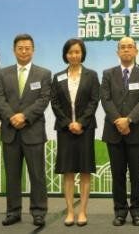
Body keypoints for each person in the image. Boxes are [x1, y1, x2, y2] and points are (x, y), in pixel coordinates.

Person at [0, 34, 51, 227]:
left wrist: (24, 116)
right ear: (14, 50)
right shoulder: (3, 74)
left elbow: (43, 100)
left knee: (37, 175)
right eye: (20, 48)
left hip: (33, 131)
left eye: (27, 48)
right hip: (10, 132)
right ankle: (13, 212)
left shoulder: (43, 73)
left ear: (33, 50)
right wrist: (12, 116)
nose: (24, 51)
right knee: (12, 175)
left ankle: (38, 212)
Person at [100, 36, 139, 226]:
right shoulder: (107, 74)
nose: (127, 50)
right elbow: (105, 100)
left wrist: (128, 120)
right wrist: (118, 120)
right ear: (118, 52)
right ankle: (120, 211)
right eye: (123, 47)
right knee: (117, 174)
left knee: (137, 174)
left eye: (130, 47)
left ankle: (137, 211)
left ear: (136, 51)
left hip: (136, 132)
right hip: (114, 132)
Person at [51, 38, 100, 227]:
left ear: (82, 54)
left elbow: (94, 101)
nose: (74, 55)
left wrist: (80, 122)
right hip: (65, 130)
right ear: (65, 55)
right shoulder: (58, 77)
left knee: (85, 170)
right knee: (68, 171)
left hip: (85, 129)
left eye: (77, 52)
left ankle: (82, 212)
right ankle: (70, 211)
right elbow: (54, 102)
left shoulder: (91, 75)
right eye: (70, 52)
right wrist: (67, 123)